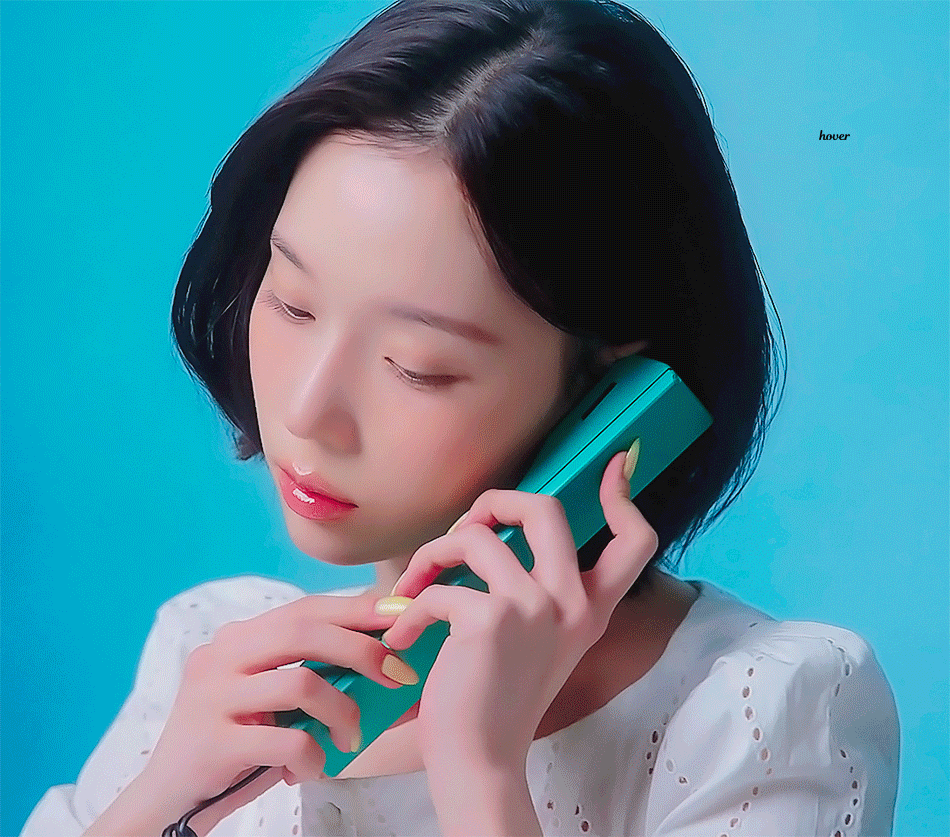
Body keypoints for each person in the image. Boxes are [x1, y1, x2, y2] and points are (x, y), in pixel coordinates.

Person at [21, 1, 900, 835]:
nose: (307, 410)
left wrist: (481, 774)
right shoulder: (215, 653)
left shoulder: (767, 714)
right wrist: (154, 804)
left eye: (417, 366)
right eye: (291, 302)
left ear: (610, 389)